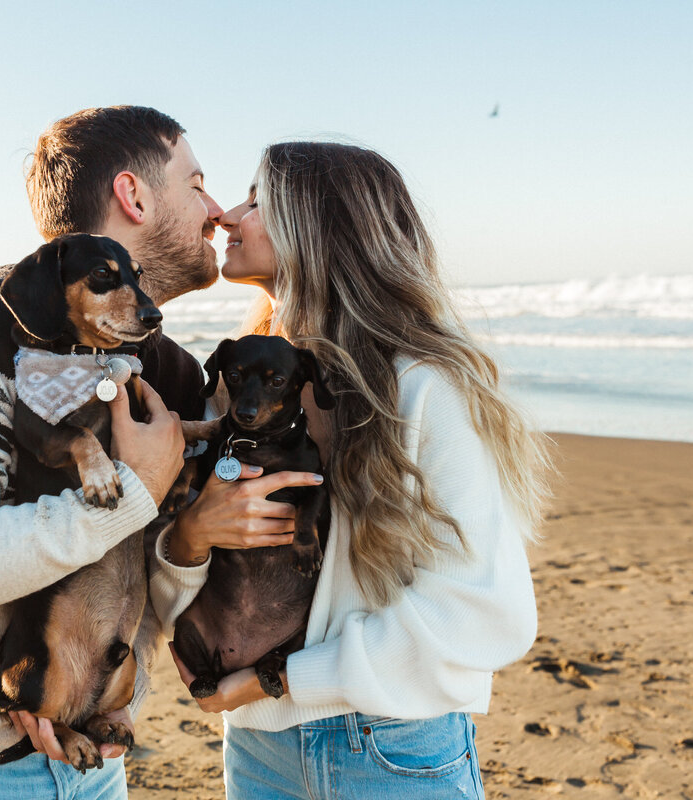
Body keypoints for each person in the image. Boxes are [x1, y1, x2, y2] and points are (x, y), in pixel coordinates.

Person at [0, 106, 311, 799]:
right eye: (198, 184)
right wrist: (134, 490)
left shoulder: (168, 368)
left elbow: (144, 561)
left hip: (90, 746)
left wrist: (118, 687)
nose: (216, 212)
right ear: (134, 196)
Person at [150, 141, 550, 799]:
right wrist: (190, 544)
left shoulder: (421, 390)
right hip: (257, 746)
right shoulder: (239, 395)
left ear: (317, 227)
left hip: (388, 745)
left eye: (257, 200)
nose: (227, 216)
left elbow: (489, 612)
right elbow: (186, 568)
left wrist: (282, 678)